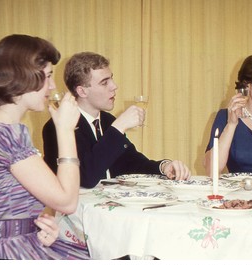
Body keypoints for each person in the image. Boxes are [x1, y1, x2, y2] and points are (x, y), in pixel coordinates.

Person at [0, 34, 90, 259]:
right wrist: (66, 130)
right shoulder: (5, 136)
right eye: (48, 76)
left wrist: (33, 227)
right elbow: (67, 202)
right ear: (23, 76)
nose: (53, 86)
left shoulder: (9, 131)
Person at [43, 52, 191, 188]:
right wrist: (119, 127)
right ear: (82, 91)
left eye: (111, 78)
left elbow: (131, 162)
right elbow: (86, 178)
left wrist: (164, 166)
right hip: (77, 214)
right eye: (104, 82)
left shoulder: (107, 120)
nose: (114, 86)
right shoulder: (57, 127)